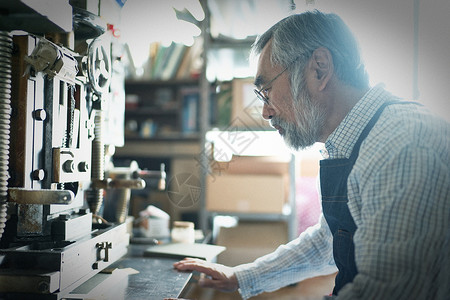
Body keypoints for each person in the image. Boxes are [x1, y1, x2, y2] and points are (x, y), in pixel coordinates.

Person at [173, 10, 450, 300]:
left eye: (267, 91)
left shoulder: (402, 145)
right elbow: (331, 238)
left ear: (319, 69)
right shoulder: (353, 140)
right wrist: (242, 276)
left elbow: (384, 292)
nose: (266, 111)